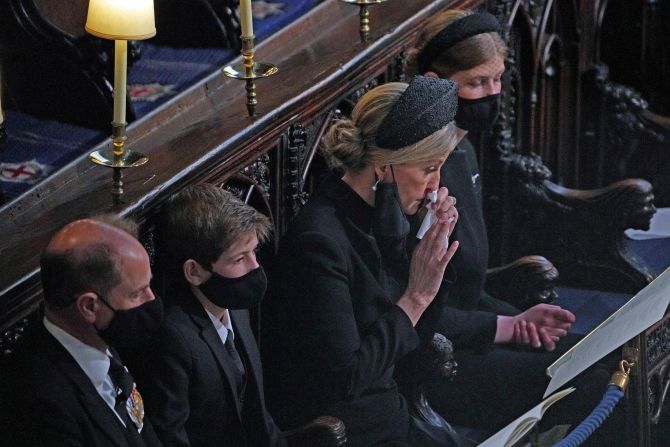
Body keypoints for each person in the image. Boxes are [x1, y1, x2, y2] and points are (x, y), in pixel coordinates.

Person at [404, 9, 619, 443]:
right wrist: (503, 326)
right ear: (435, 81)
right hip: (437, 360)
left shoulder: (461, 151)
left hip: (476, 329)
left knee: (612, 354)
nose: (493, 93)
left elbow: (467, 284)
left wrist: (520, 319)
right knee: (598, 384)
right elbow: (417, 305)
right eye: (478, 83)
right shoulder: (415, 173)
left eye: (498, 79)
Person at [262, 77, 462, 447]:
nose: (436, 186)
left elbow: (412, 344)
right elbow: (346, 379)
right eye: (428, 169)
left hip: (395, 419)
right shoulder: (320, 242)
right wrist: (415, 296)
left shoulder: (386, 217)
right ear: (384, 167)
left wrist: (430, 252)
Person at [131, 184, 286, 447]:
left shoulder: (235, 304)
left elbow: (257, 415)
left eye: (254, 252)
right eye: (239, 259)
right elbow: (172, 438)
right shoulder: (171, 340)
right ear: (194, 271)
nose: (255, 267)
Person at [0, 216, 164, 447]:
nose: (151, 299)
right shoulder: (39, 404)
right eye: (136, 293)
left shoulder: (101, 336)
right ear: (89, 306)